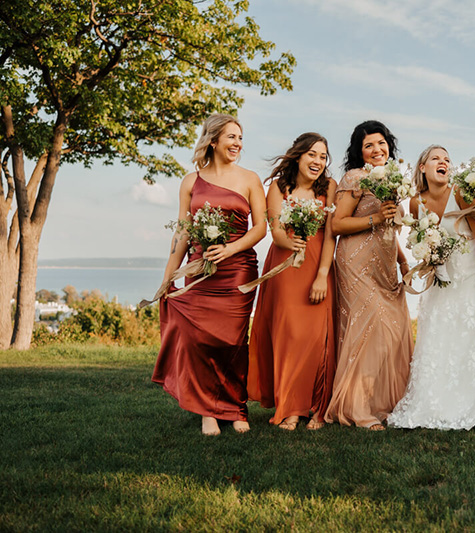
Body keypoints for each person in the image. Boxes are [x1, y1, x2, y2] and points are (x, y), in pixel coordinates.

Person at [152, 113, 267, 436]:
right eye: (231, 137)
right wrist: (168, 275)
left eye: (240, 138)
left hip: (238, 270)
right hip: (199, 271)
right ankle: (207, 411)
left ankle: (235, 407)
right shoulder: (191, 182)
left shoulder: (250, 179)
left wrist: (230, 250)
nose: (237, 144)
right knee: (197, 340)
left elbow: (260, 227)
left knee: (233, 341)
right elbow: (183, 232)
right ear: (213, 140)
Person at [388, 145, 475, 430]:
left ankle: (472, 402)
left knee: (469, 337)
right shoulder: (415, 203)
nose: (444, 162)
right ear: (422, 167)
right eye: (436, 158)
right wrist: (429, 259)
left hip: (471, 277)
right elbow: (420, 242)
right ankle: (435, 402)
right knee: (439, 336)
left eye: (447, 159)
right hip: (439, 280)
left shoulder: (461, 193)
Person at [324, 120, 414, 430]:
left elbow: (391, 227)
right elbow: (337, 225)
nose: (377, 149)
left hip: (386, 266)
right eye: (369, 146)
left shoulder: (392, 179)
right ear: (360, 152)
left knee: (393, 332)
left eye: (381, 143)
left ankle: (384, 404)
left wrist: (402, 261)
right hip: (356, 264)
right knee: (370, 331)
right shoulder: (355, 178)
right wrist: (375, 217)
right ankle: (357, 409)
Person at [247, 133, 338, 431]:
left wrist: (322, 275)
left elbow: (329, 235)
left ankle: (315, 407)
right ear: (298, 156)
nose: (318, 161)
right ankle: (289, 408)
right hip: (285, 267)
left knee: (316, 339)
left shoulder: (329, 188)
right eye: (312, 154)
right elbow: (275, 231)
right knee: (288, 337)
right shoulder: (278, 187)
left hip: (317, 268)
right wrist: (293, 241)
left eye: (323, 157)